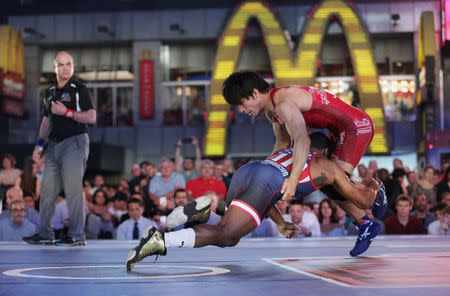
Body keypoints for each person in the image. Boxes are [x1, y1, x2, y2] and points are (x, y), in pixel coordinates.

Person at [126, 147, 384, 271]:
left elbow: (268, 194)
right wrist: (376, 192)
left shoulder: (294, 149)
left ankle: (208, 214)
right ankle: (160, 240)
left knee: (231, 239)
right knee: (226, 235)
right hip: (265, 182)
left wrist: (281, 223)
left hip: (248, 172)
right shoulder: (330, 168)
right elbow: (361, 199)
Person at [221, 71, 383, 252]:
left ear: (255, 93)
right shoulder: (272, 111)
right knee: (323, 178)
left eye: (241, 104)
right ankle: (366, 223)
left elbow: (302, 140)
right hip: (335, 130)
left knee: (333, 182)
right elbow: (283, 145)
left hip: (355, 126)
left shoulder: (283, 103)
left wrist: (293, 179)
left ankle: (374, 192)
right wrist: (265, 173)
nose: (242, 111)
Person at [23, 51, 96, 246]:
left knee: (72, 188)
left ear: (73, 66)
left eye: (69, 64)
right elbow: (46, 121)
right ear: (54, 68)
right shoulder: (49, 92)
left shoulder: (79, 89)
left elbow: (91, 117)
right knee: (47, 190)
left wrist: (68, 112)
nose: (65, 68)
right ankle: (46, 234)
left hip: (76, 141)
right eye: (61, 64)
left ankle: (76, 236)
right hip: (54, 144)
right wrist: (39, 145)